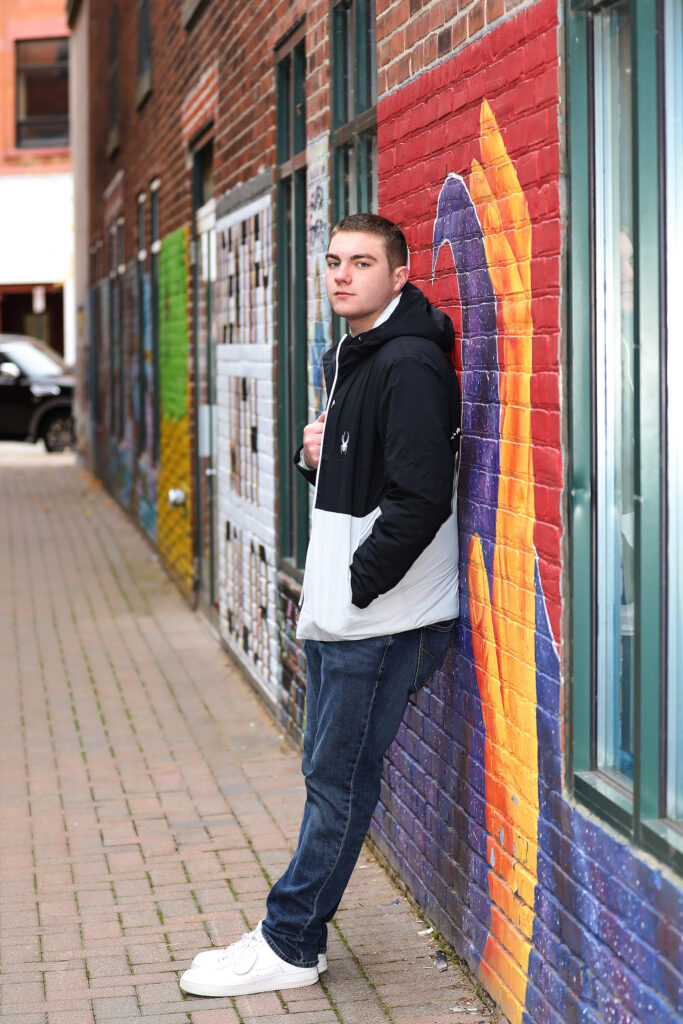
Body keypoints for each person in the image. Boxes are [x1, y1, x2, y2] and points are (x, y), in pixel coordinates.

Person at [180, 213, 461, 999]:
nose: (341, 274)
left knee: (338, 781)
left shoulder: (405, 362)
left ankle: (290, 942)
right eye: (334, 261)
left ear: (399, 275)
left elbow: (419, 499)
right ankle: (289, 932)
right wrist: (317, 458)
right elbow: (367, 487)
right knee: (328, 775)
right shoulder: (358, 354)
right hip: (356, 615)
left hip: (382, 618)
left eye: (362, 263)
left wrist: (357, 583)